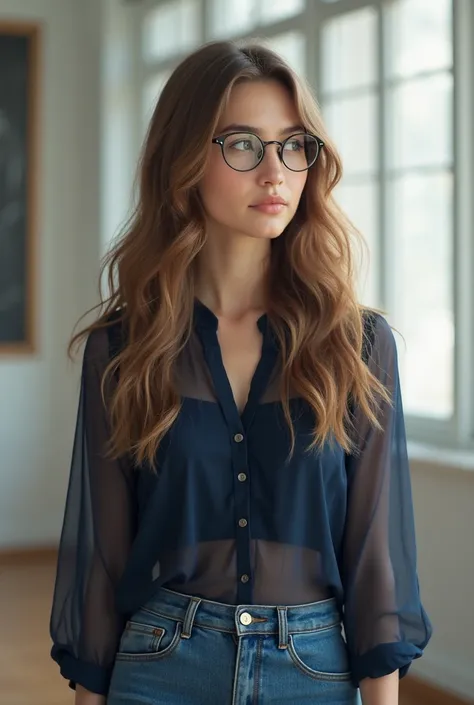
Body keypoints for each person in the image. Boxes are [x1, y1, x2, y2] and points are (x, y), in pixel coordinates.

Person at [49, 40, 432, 705]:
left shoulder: (358, 345)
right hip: (159, 664)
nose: (275, 172)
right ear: (185, 158)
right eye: (243, 145)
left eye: (293, 145)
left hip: (312, 669)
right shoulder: (124, 348)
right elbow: (103, 567)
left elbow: (377, 564)